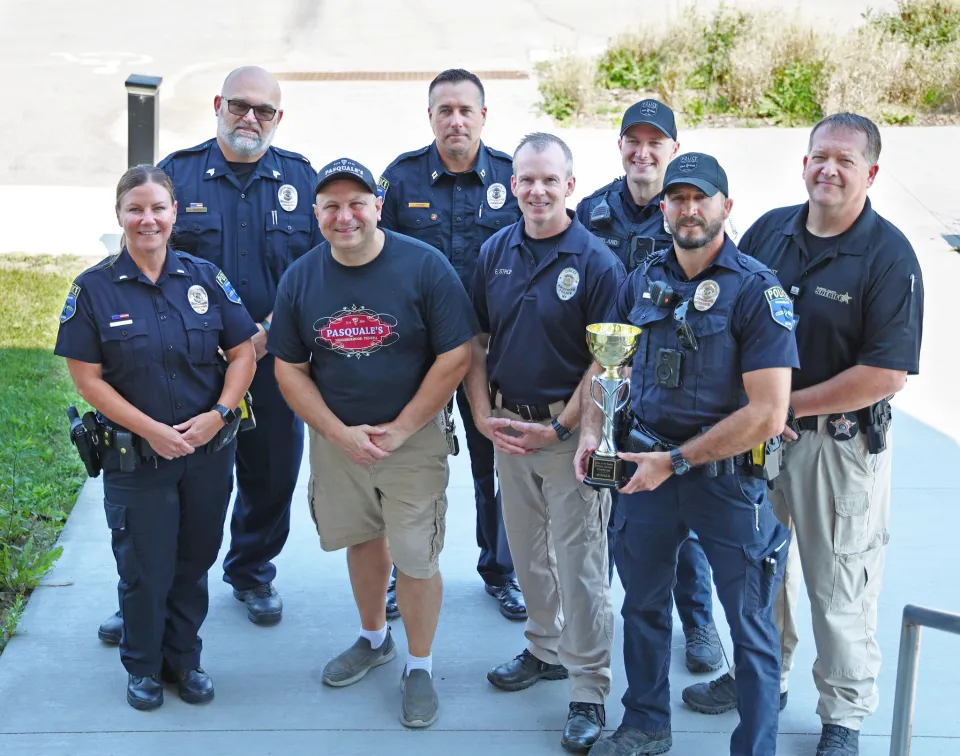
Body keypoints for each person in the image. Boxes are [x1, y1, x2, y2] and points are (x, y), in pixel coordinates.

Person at [681, 114, 924, 756]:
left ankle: (842, 714)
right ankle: (765, 677)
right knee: (759, 571)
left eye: (845, 161)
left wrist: (786, 405)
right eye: (820, 156)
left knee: (838, 579)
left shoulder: (889, 255)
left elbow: (885, 374)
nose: (829, 170)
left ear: (870, 172)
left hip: (836, 448)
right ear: (804, 161)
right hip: (763, 441)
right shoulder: (769, 231)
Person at [580, 153, 798, 756]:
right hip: (645, 470)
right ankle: (646, 723)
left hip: (726, 485)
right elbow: (607, 360)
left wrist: (675, 462)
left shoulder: (758, 291)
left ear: (727, 207)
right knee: (643, 608)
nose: (689, 209)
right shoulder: (643, 279)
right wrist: (592, 433)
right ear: (663, 209)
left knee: (750, 626)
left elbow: (767, 413)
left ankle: (754, 746)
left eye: (702, 198)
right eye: (677, 199)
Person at [96, 66, 321, 641]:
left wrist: (266, 332)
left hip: (273, 358)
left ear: (278, 117)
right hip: (186, 363)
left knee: (272, 470)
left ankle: (251, 570)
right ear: (218, 104)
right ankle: (150, 590)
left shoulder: (299, 178)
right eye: (240, 105)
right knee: (168, 478)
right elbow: (143, 256)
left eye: (264, 110)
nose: (250, 118)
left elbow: (315, 270)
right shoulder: (179, 174)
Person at [269, 157, 477, 729]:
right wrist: (338, 434)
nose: (345, 216)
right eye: (331, 205)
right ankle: (373, 637)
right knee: (362, 539)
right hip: (340, 442)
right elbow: (288, 367)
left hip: (410, 440)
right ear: (315, 214)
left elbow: (456, 355)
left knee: (415, 555)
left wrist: (404, 426)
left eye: (357, 203)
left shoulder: (424, 266)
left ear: (378, 206)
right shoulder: (302, 277)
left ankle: (419, 664)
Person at [55, 165, 258, 710]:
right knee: (146, 567)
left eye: (158, 208)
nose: (148, 219)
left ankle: (183, 661)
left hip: (207, 453)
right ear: (119, 215)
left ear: (174, 213)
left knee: (194, 561)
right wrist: (152, 430)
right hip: (137, 459)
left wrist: (219, 412)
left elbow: (243, 353)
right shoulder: (93, 288)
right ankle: (143, 667)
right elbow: (87, 378)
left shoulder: (204, 278)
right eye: (135, 209)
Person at [467, 133, 624, 753]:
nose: (535, 191)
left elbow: (606, 362)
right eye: (524, 179)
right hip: (509, 428)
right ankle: (544, 648)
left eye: (548, 180)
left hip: (566, 435)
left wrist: (562, 428)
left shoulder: (596, 262)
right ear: (512, 186)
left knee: (581, 563)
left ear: (570, 186)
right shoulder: (494, 252)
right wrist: (483, 416)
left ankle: (588, 689)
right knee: (528, 554)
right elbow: (477, 342)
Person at [575, 98, 722, 674]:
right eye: (632, 141)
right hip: (605, 388)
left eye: (654, 143)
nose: (642, 152)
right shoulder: (591, 212)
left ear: (672, 150)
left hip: (679, 393)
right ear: (620, 147)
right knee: (604, 513)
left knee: (685, 518)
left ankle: (699, 621)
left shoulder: (696, 213)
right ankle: (595, 622)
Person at [378, 68, 525, 622]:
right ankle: (403, 573)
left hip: (493, 355)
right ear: (431, 117)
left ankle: (501, 571)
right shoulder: (401, 180)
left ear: (484, 116)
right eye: (445, 110)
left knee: (497, 465)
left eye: (466, 110)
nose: (456, 120)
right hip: (418, 360)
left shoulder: (513, 178)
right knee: (407, 467)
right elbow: (377, 262)